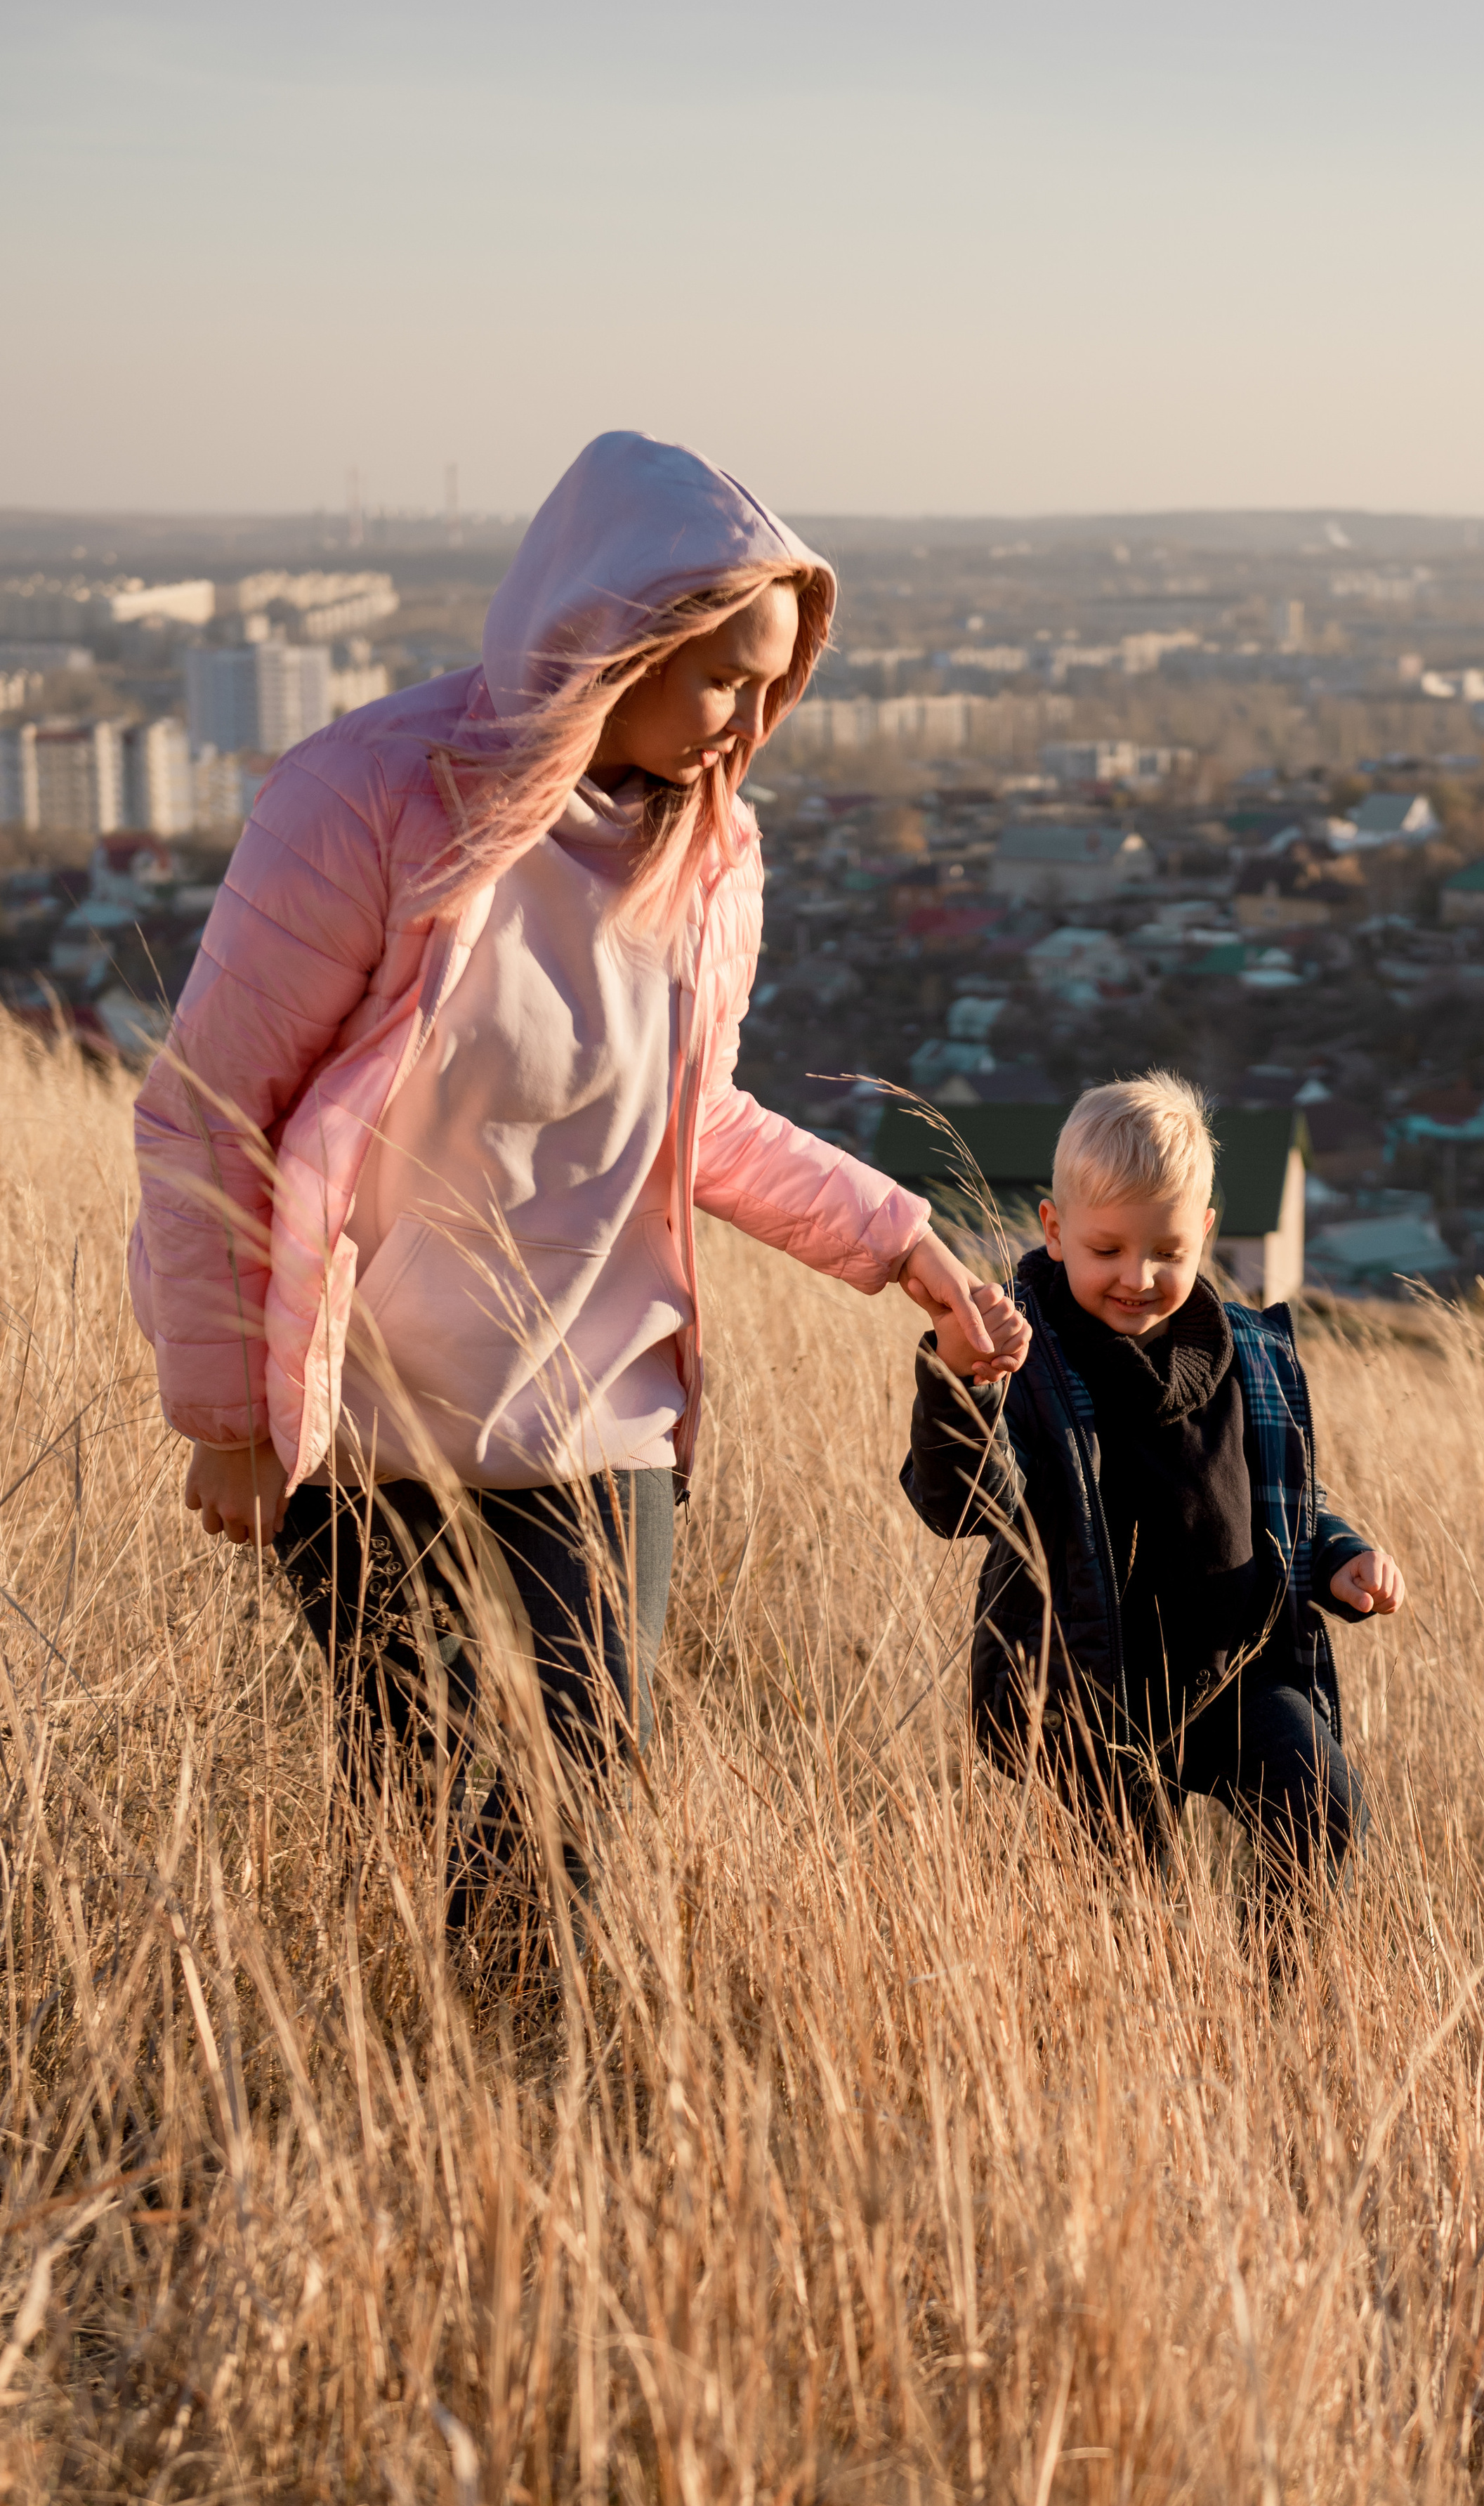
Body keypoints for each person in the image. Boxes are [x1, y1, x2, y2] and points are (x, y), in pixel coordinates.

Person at [131, 431, 1029, 1905]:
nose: (749, 717)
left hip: (594, 1407)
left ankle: (554, 2071)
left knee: (574, 1795)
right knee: (419, 1793)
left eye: (772, 680)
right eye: (722, 673)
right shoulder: (369, 800)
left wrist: (907, 1249)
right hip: (369, 1411)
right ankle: (428, 2091)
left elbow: (698, 1119)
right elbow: (207, 1113)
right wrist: (227, 1414)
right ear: (615, 639)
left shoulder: (712, 850)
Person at [901, 1071, 1403, 1921]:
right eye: (1108, 1251)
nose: (1138, 1276)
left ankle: (1270, 2010)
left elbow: (1287, 1504)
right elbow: (960, 1506)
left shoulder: (1252, 1356)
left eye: (1168, 1252)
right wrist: (963, 1379)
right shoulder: (1030, 1359)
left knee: (1323, 1808)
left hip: (1239, 1674)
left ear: (1205, 1232)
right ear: (1053, 1231)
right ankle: (1142, 2025)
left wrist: (1340, 1557)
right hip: (1089, 1692)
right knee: (1133, 1902)